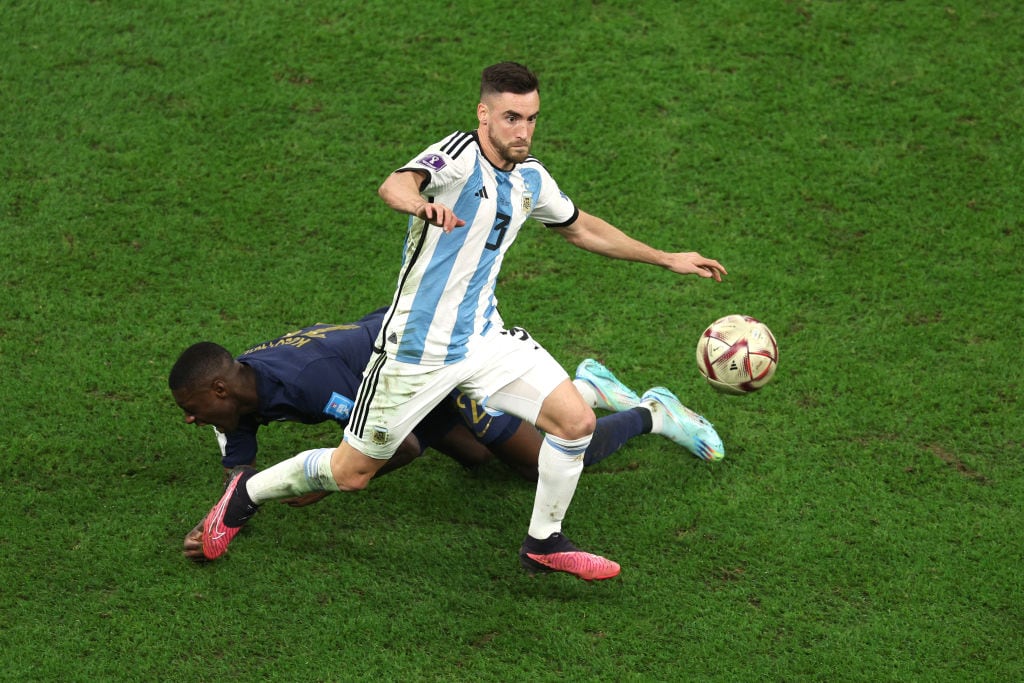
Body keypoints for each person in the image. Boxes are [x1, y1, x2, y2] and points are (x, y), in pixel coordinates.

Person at [199, 62, 726, 581]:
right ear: (484, 114)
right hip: (415, 350)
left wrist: (666, 257)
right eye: (512, 117)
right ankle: (244, 496)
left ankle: (544, 542)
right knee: (351, 473)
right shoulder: (457, 156)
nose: (522, 131)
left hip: (482, 338)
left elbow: (580, 228)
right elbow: (395, 185)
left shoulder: (530, 178)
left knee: (576, 423)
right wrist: (420, 206)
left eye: (532, 118)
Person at [171, 309, 725, 560]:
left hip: (432, 363)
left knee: (539, 461)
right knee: (477, 459)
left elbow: (400, 446)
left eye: (193, 409)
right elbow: (239, 464)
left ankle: (654, 411)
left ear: (220, 389)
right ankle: (588, 387)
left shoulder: (309, 384)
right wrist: (224, 516)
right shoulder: (240, 391)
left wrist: (320, 481)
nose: (191, 419)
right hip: (395, 374)